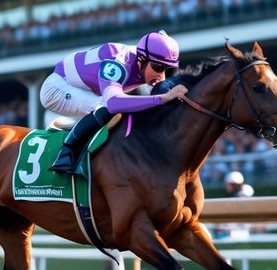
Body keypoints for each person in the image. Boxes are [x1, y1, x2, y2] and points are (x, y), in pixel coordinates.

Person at [42, 30, 190, 175]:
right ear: (141, 60)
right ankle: (66, 155)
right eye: (158, 67)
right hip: (57, 88)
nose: (161, 76)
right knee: (105, 107)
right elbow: (113, 103)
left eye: (166, 69)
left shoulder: (144, 61)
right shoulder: (117, 63)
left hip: (86, 90)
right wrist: (163, 98)